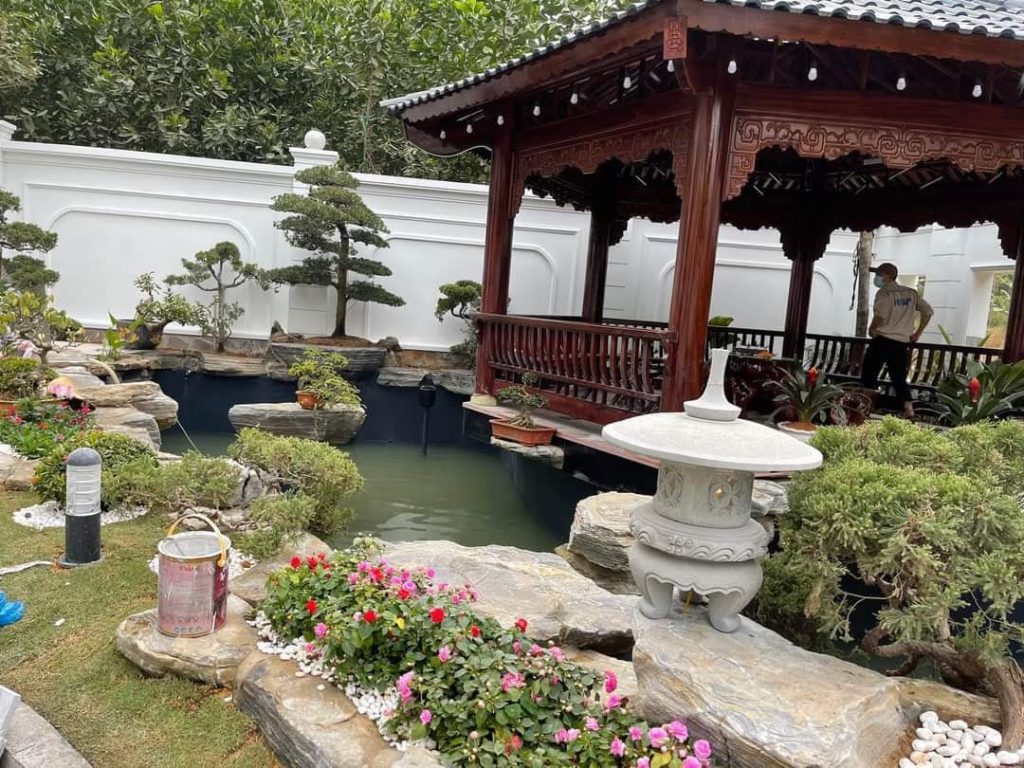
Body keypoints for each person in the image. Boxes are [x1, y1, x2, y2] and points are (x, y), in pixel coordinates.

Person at [861, 262, 933, 418]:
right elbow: (928, 311)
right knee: (899, 377)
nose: (876, 277)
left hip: (882, 340)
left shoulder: (884, 293)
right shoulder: (910, 294)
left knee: (869, 373)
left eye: (879, 274)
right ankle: (908, 409)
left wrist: (872, 329)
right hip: (901, 343)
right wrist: (918, 333)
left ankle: (865, 406)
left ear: (888, 275)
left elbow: (880, 316)